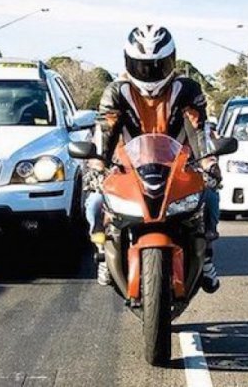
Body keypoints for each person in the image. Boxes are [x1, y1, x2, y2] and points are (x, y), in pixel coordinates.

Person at [84, 25, 221, 293]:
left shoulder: (187, 90)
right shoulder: (116, 92)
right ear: (129, 62)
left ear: (171, 61)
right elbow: (105, 129)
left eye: (157, 65)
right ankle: (102, 252)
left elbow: (198, 129)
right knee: (94, 201)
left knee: (211, 197)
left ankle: (205, 256)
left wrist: (209, 164)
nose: (150, 73)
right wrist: (98, 165)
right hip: (127, 168)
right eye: (143, 66)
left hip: (178, 167)